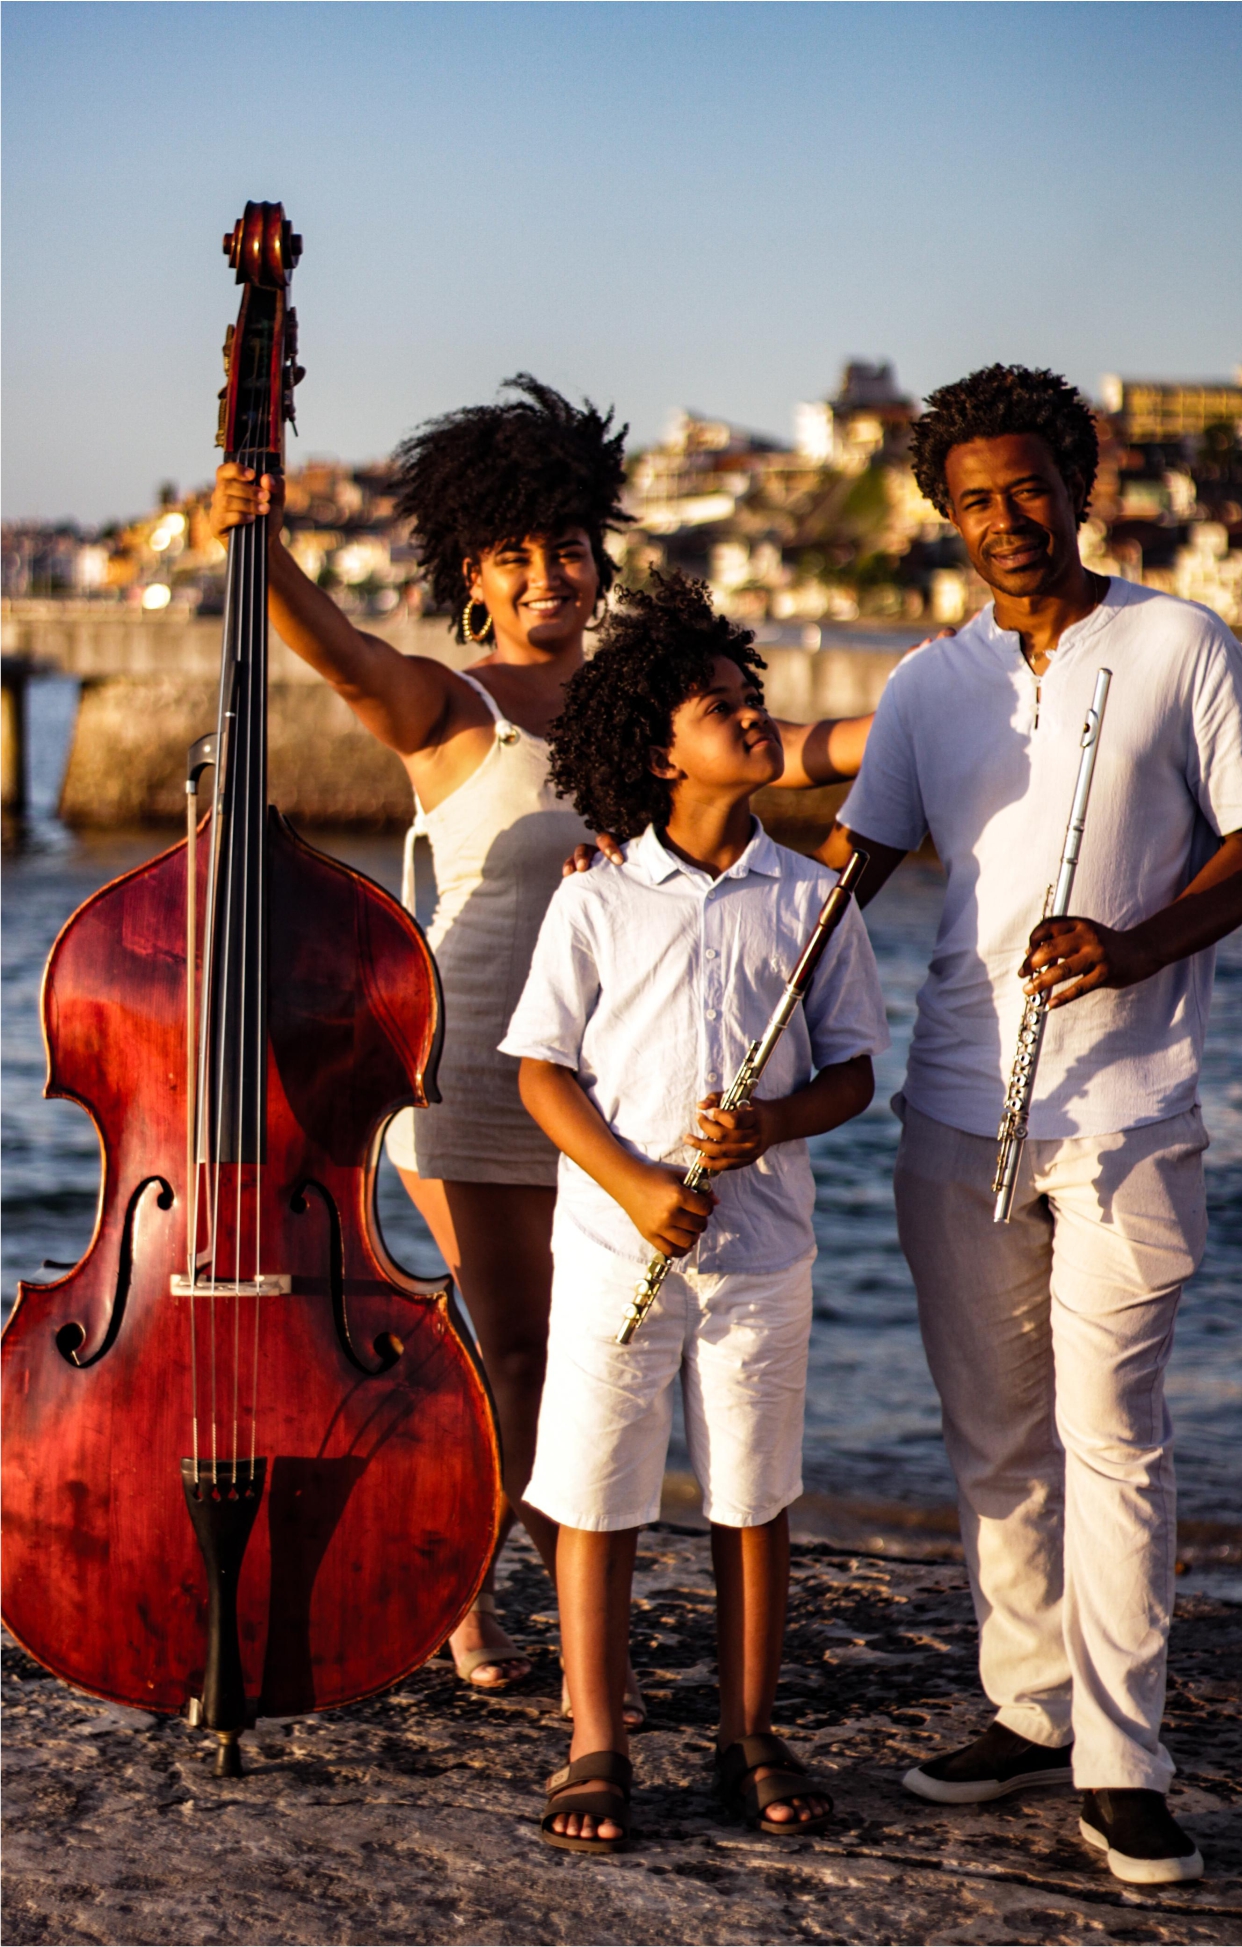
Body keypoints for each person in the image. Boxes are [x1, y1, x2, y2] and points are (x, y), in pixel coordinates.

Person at [211, 377, 877, 1700]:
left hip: (619, 1083)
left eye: (565, 547)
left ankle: (528, 1588)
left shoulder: (649, 716)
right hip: (469, 1068)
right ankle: (499, 1607)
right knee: (518, 1347)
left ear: (597, 555)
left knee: (592, 1352)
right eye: (513, 555)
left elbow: (805, 748)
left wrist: (955, 690)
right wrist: (256, 540)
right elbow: (337, 652)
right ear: (471, 574)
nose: (545, 576)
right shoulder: (449, 706)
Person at [815, 364, 1242, 1885]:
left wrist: (1134, 946)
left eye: (1027, 487)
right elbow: (842, 875)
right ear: (943, 517)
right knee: (994, 1438)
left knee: (1113, 1435)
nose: (1003, 518)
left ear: (1079, 486)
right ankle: (1030, 1706)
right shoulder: (923, 687)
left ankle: (1122, 1759)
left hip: (1130, 1114)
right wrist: (653, 868)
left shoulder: (1179, 641)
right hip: (954, 1110)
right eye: (972, 500)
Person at [500, 574, 889, 1851]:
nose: (752, 714)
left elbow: (852, 1072)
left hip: (761, 1251)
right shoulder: (597, 893)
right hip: (613, 1247)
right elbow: (541, 1073)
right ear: (658, 752)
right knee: (596, 1492)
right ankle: (594, 1740)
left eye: (747, 694)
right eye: (718, 706)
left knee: (751, 1494)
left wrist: (771, 1123)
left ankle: (747, 1732)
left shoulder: (810, 898)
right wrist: (633, 1183)